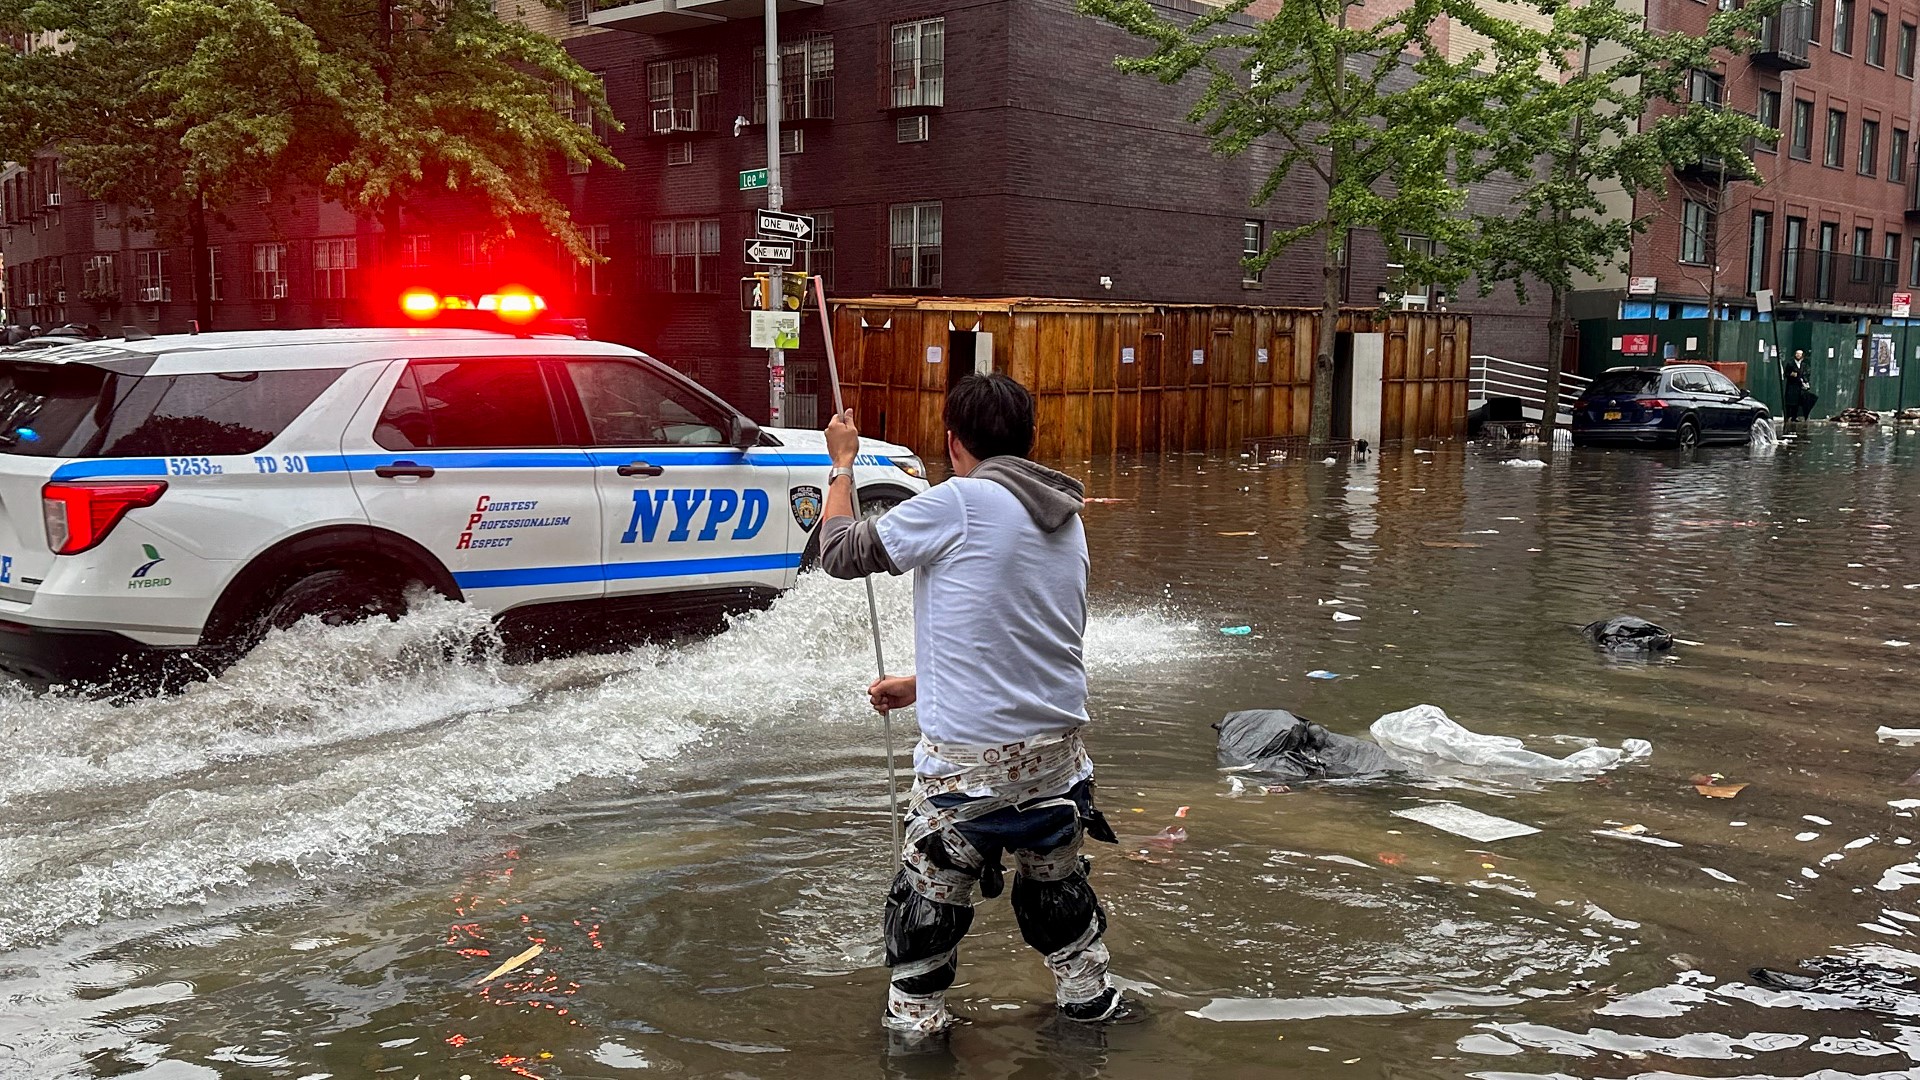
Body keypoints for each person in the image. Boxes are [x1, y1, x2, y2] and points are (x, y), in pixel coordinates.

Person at [816, 373, 1122, 1038]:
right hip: (1059, 769)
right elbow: (1027, 638)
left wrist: (840, 464)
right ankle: (1092, 1014)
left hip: (966, 776)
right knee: (1062, 912)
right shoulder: (1064, 517)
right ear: (1026, 440)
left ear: (952, 442)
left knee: (922, 929)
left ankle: (920, 1037)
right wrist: (922, 683)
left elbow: (838, 553)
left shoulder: (958, 501)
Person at [1783, 348, 1815, 421]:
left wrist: (1806, 382)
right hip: (1791, 385)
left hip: (1799, 386)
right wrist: (1791, 374)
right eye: (1797, 354)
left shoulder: (1803, 365)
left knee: (1797, 402)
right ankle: (1787, 416)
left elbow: (1804, 374)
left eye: (1800, 354)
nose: (1798, 355)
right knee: (1789, 401)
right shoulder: (1790, 363)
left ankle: (1794, 417)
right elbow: (1786, 373)